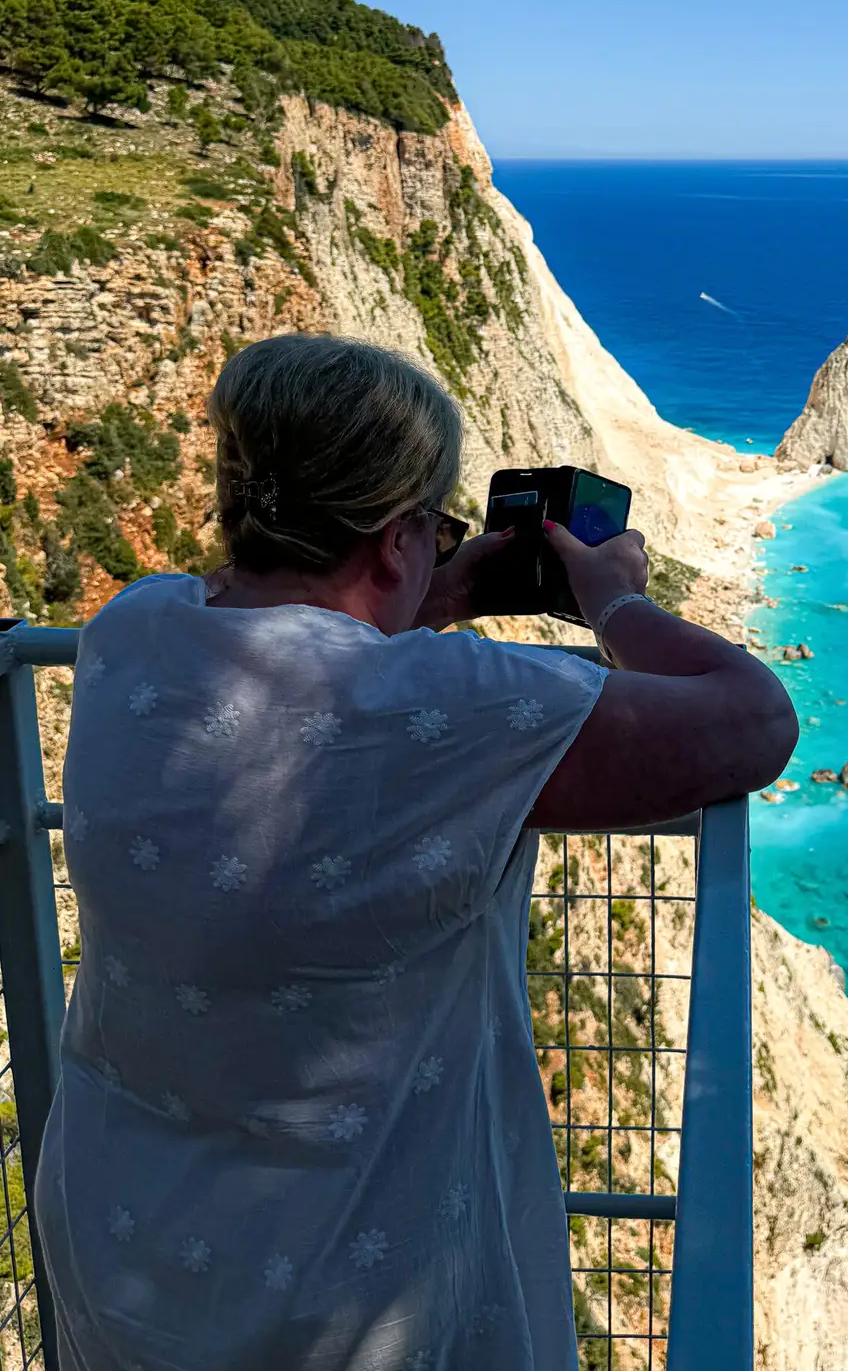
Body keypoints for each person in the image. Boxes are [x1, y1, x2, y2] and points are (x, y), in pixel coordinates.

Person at [35, 334, 797, 1371]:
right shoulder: (443, 710)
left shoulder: (134, 628)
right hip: (329, 1309)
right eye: (430, 532)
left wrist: (433, 588)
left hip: (120, 1247)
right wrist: (613, 599)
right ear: (396, 540)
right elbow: (753, 722)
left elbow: (306, 631)